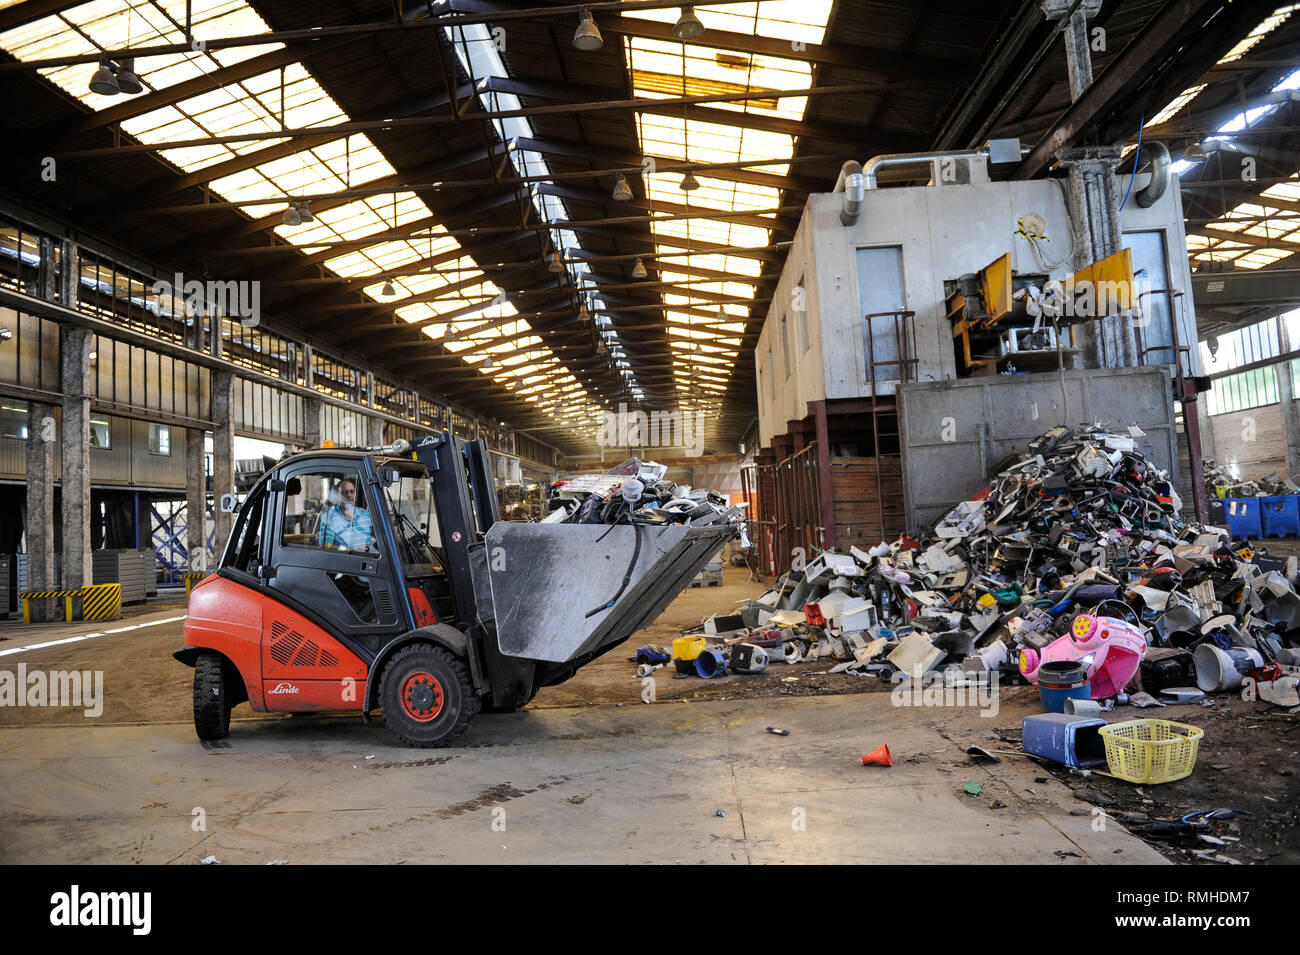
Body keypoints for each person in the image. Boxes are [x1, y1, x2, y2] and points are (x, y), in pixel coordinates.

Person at [318, 478, 375, 551]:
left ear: (355, 494)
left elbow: (377, 538)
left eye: (351, 492)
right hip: (345, 559)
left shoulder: (365, 514)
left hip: (370, 558)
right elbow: (325, 545)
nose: (349, 495)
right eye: (344, 492)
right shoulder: (329, 517)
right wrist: (348, 549)